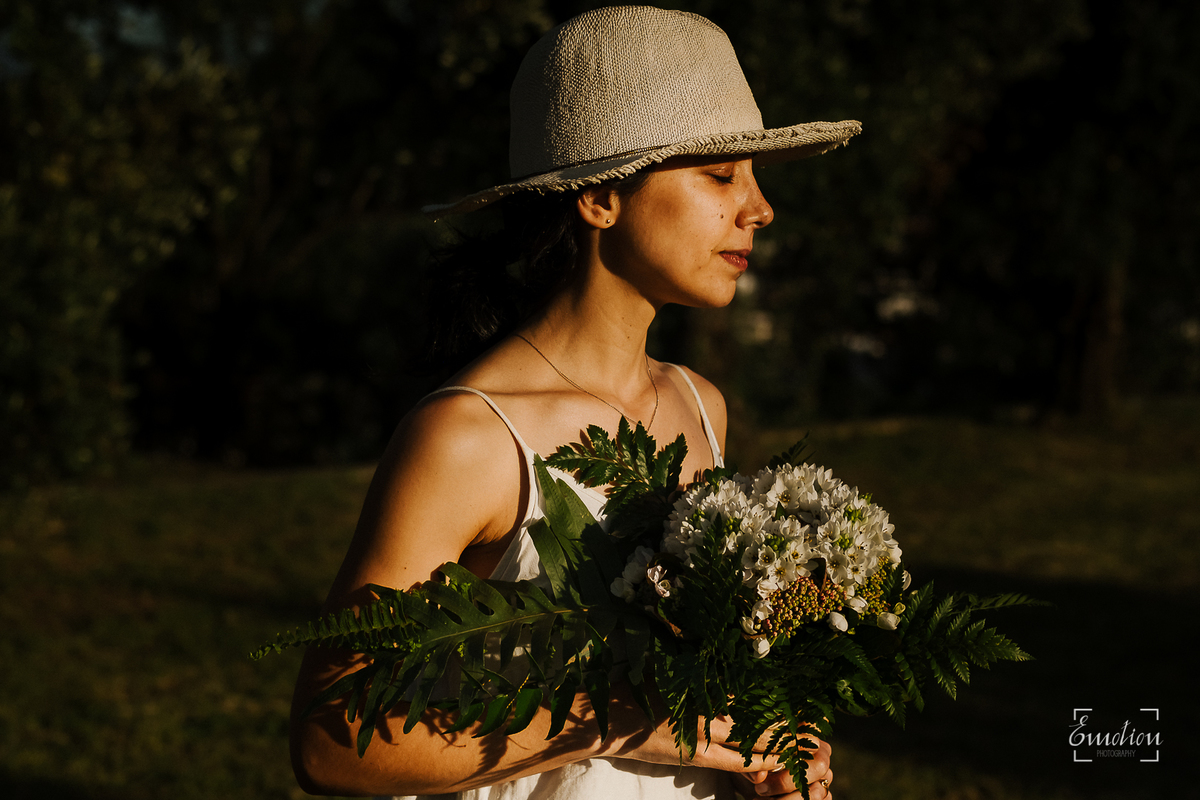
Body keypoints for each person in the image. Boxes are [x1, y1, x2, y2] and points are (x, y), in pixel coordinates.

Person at [289, 6, 860, 799]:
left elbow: (691, 695)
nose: (759, 208)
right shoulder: (470, 436)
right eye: (721, 175)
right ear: (598, 199)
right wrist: (611, 720)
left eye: (755, 178)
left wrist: (769, 752)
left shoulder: (701, 407)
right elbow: (331, 736)